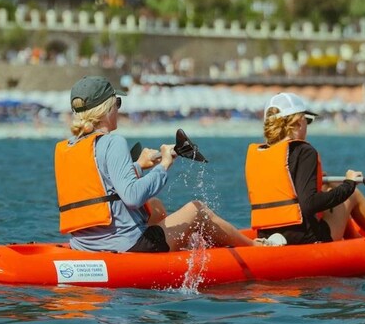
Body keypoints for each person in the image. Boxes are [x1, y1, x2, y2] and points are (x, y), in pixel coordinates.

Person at [54, 75, 257, 253]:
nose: (118, 108)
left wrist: (139, 165)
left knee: (156, 207)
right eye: (117, 102)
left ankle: (182, 244)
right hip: (126, 246)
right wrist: (164, 165)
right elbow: (132, 197)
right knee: (198, 210)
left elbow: (99, 185)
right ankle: (256, 249)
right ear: (106, 108)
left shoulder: (68, 147)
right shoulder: (113, 142)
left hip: (84, 245)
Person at [245, 92, 365, 245]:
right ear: (297, 123)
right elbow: (309, 204)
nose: (307, 126)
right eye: (307, 121)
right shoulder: (304, 151)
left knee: (331, 188)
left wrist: (317, 181)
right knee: (352, 194)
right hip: (306, 238)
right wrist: (349, 184)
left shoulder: (262, 153)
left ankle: (355, 241)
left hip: (268, 236)